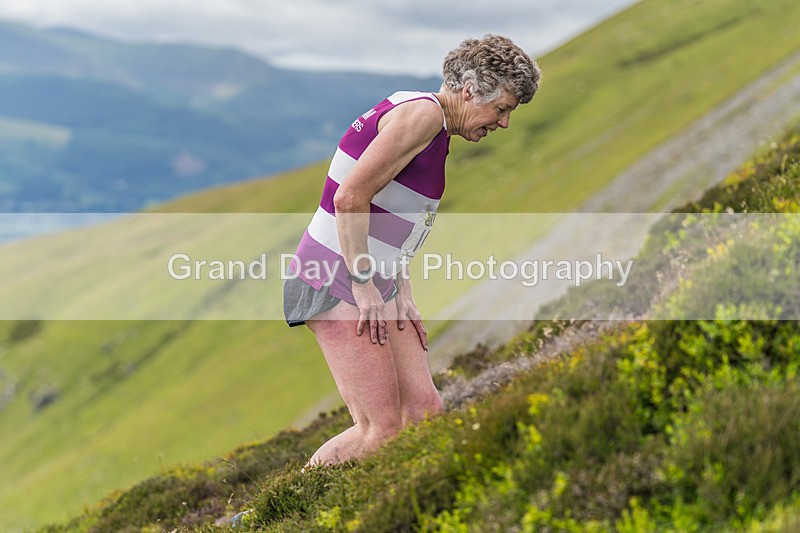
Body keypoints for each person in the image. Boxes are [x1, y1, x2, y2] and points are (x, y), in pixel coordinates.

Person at [283, 34, 541, 470]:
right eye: (502, 109)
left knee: (423, 414)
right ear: (469, 91)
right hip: (333, 278)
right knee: (380, 430)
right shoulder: (423, 116)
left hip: (370, 280)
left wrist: (400, 290)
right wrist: (365, 287)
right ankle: (275, 509)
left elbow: (391, 220)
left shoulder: (432, 122)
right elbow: (350, 199)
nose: (503, 124)